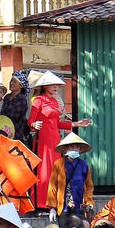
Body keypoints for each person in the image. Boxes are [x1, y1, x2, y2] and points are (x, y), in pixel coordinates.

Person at [29, 71, 90, 210]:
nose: (56, 87)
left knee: (55, 170)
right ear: (45, 86)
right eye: (53, 85)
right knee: (43, 170)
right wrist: (34, 124)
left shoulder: (55, 102)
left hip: (55, 138)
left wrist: (76, 124)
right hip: (43, 139)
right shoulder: (38, 101)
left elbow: (58, 124)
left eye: (57, 85)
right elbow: (31, 120)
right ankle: (40, 203)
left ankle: (54, 201)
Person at [46, 132, 94, 218]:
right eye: (72, 147)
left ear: (80, 149)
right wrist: (52, 208)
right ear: (66, 149)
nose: (74, 149)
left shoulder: (84, 165)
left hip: (79, 207)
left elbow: (89, 186)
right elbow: (53, 186)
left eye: (76, 147)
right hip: (63, 207)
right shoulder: (58, 164)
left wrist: (89, 202)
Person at [2, 71, 31, 146]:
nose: (11, 83)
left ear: (21, 86)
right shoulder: (6, 97)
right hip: (4, 131)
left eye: (14, 82)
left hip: (17, 133)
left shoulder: (21, 99)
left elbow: (15, 117)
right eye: (11, 81)